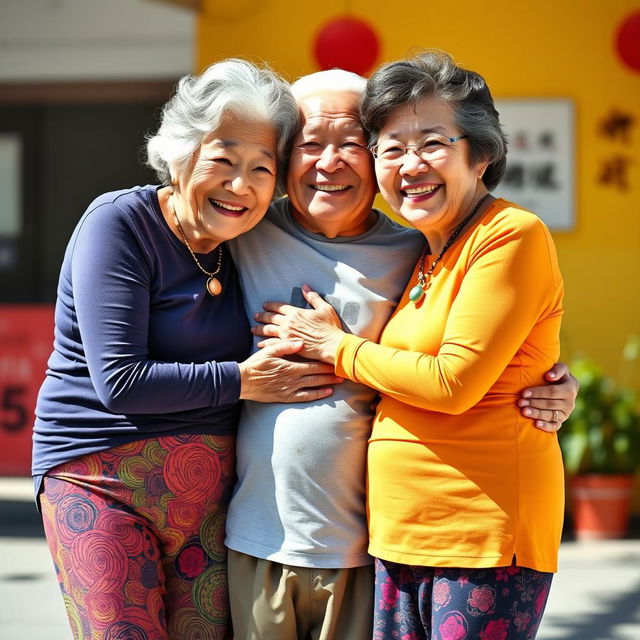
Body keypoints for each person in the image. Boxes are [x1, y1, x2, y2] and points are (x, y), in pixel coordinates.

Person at [229, 65, 575, 639]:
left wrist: (335, 345)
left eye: (433, 144)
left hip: (477, 535)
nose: (411, 165)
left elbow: (456, 378)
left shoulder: (506, 235)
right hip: (395, 534)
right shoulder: (428, 250)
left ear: (481, 153)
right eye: (393, 148)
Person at [32, 59, 342, 640]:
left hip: (210, 493)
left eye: (261, 168)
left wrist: (534, 376)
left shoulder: (251, 242)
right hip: (102, 475)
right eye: (222, 160)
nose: (241, 185)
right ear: (180, 154)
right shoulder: (120, 224)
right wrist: (244, 381)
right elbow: (120, 379)